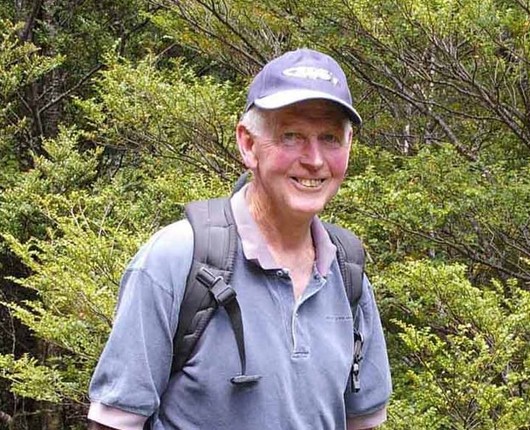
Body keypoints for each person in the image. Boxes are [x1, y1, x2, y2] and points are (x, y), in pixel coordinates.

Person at [87, 48, 392, 430]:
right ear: (248, 144)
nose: (314, 159)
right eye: (292, 135)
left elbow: (362, 422)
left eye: (330, 137)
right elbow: (114, 423)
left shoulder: (347, 272)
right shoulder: (178, 260)